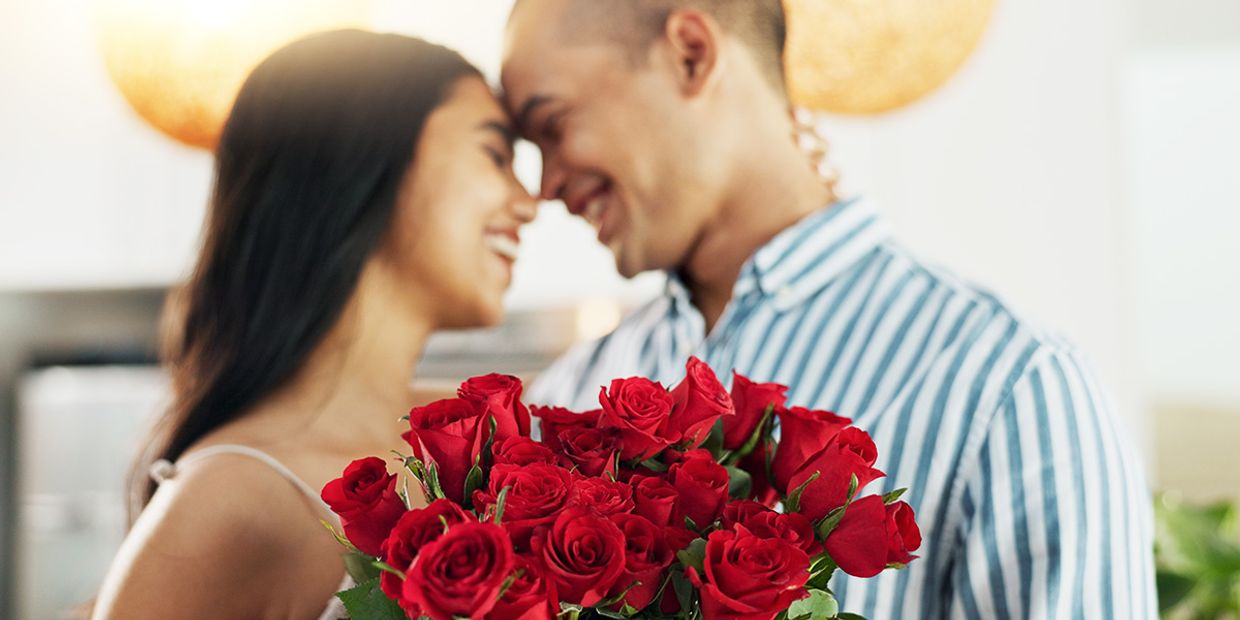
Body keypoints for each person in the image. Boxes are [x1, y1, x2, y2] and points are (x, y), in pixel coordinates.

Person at [506, 0, 1156, 617]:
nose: (546, 187)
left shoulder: (1011, 386)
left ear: (692, 56)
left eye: (554, 125)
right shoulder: (568, 391)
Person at [92, 30, 535, 619]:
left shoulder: (502, 434)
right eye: (496, 155)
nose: (528, 202)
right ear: (366, 153)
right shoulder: (226, 504)